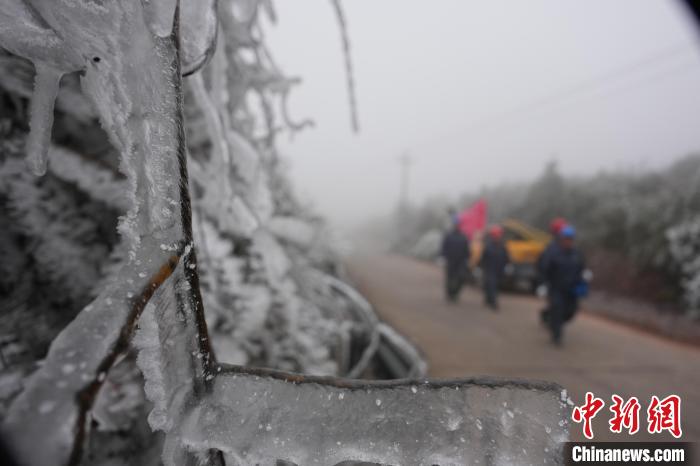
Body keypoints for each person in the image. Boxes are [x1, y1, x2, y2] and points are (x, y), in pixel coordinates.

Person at [543, 224, 585, 346]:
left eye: (570, 239)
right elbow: (546, 269)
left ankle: (551, 319)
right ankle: (557, 335)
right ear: (561, 239)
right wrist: (545, 284)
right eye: (566, 239)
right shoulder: (553, 253)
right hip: (556, 289)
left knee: (570, 312)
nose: (568, 242)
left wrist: (582, 283)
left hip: (571, 290)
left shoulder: (577, 254)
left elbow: (582, 269)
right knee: (557, 310)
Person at [537, 217, 567, 324]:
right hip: (553, 283)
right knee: (556, 304)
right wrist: (543, 283)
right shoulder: (551, 248)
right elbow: (543, 266)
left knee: (564, 306)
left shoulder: (569, 247)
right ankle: (554, 326)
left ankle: (549, 316)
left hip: (566, 282)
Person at [480, 224, 510, 310]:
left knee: (495, 286)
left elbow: (507, 258)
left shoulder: (503, 246)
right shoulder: (488, 246)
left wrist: (507, 266)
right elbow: (483, 258)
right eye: (496, 235)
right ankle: (493, 302)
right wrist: (483, 267)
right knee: (491, 285)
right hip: (490, 269)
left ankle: (489, 299)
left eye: (499, 235)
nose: (498, 237)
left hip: (499, 270)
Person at [441, 217, 470, 302]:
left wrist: (467, 259)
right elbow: (444, 247)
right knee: (450, 278)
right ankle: (450, 294)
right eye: (456, 225)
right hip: (450, 260)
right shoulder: (448, 235)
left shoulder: (463, 236)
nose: (457, 226)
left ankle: (455, 293)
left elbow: (466, 249)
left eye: (458, 225)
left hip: (461, 262)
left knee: (461, 278)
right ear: (454, 225)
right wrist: (443, 257)